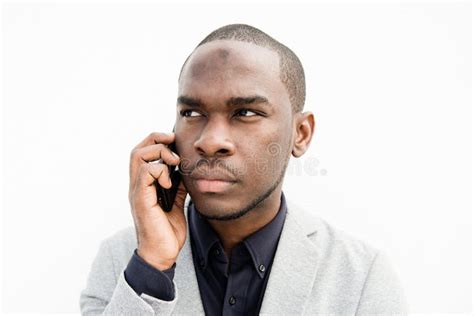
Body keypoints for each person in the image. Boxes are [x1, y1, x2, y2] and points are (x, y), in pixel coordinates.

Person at [79, 24, 408, 315]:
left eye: (246, 112)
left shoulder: (362, 276)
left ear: (301, 133)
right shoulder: (122, 260)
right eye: (192, 113)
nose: (210, 142)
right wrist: (152, 268)